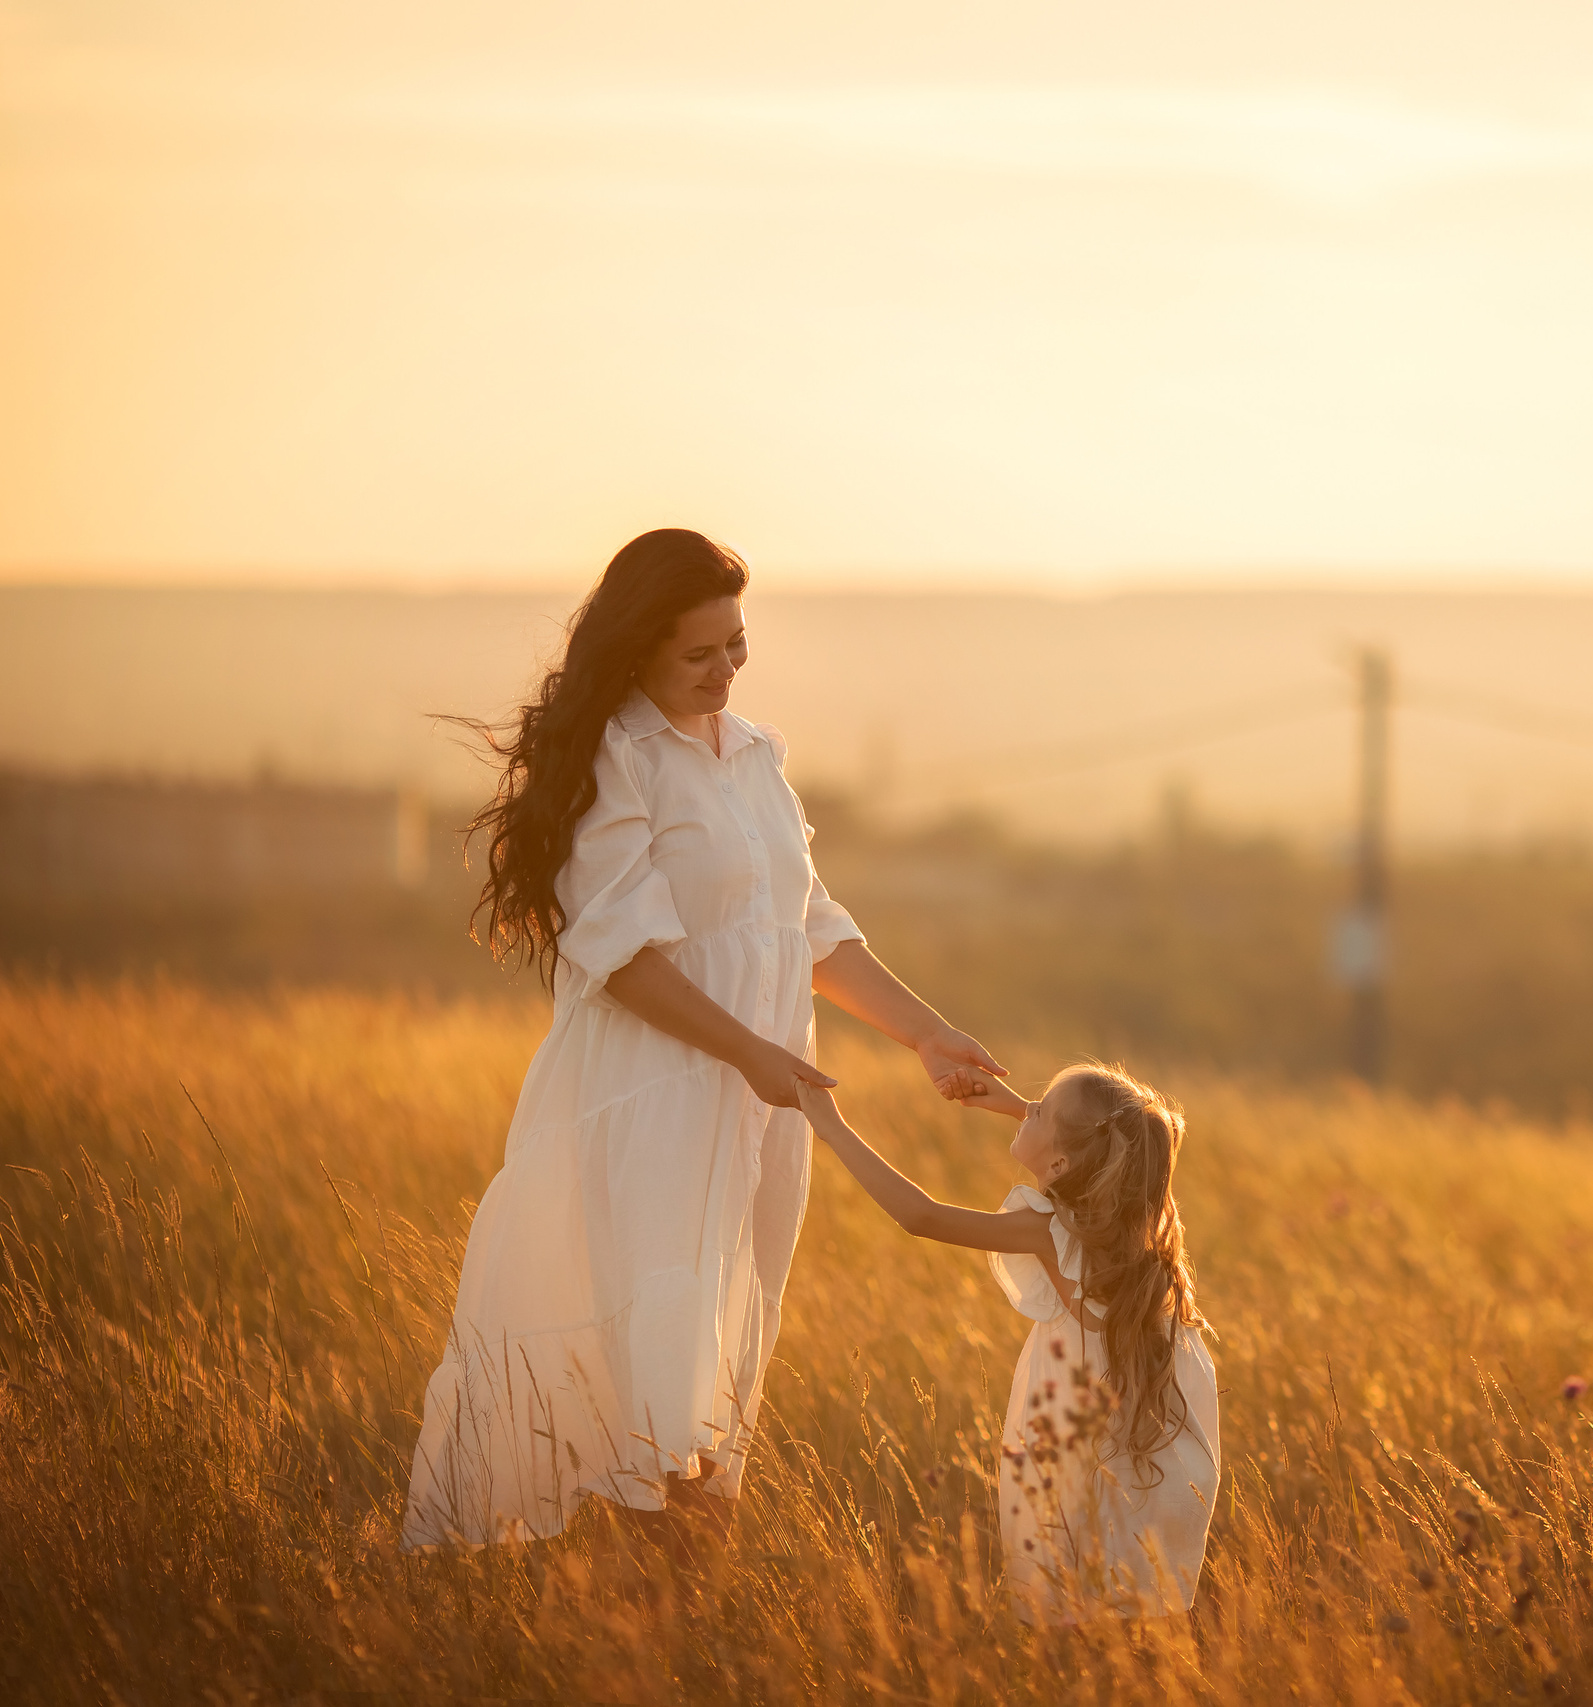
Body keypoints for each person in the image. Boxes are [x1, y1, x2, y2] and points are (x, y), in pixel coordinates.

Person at [400, 527, 1004, 1551]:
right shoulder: (616, 760)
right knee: (655, 1367)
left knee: (727, 1353)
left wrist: (927, 1034)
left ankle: (676, 1616)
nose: (724, 669)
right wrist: (749, 1053)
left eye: (736, 644)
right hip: (659, 1094)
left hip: (768, 1100)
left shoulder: (759, 755)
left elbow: (805, 926)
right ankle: (631, 1612)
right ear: (637, 650)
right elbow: (623, 958)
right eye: (699, 653)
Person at [796, 1065, 1219, 1624]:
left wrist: (830, 1127)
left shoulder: (1051, 1229)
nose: (1030, 1108)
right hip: (1150, 1454)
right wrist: (1021, 1108)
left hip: (1087, 1451)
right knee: (1133, 1615)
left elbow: (920, 1216)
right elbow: (1095, 1138)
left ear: (1063, 1163)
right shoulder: (1133, 1220)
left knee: (1073, 1609)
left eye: (1040, 1108)